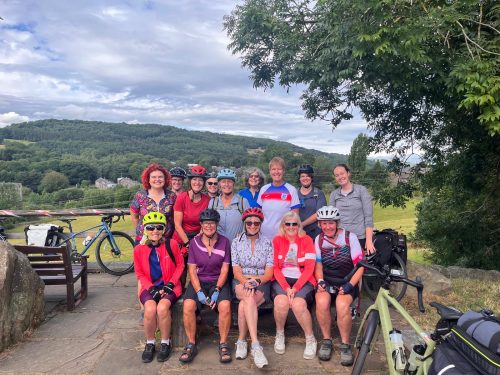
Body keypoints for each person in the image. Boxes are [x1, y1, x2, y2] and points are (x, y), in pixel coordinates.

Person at [179, 209, 233, 364]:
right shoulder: (194, 243)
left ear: (217, 224)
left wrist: (217, 289)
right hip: (199, 281)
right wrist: (199, 292)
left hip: (218, 281)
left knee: (225, 306)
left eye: (212, 223)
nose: (209, 226)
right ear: (201, 225)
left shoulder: (225, 242)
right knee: (188, 305)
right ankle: (191, 343)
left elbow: (225, 269)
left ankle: (223, 343)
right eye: (206, 223)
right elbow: (192, 270)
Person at [314, 206, 364, 365]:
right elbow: (318, 265)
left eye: (331, 223)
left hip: (348, 280)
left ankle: (345, 344)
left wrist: (350, 285)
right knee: (321, 302)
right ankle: (326, 340)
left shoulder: (350, 238)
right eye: (324, 224)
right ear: (320, 225)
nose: (327, 227)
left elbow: (361, 266)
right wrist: (320, 280)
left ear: (337, 223)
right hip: (328, 280)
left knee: (342, 305)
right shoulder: (319, 239)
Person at [133, 212, 185, 363]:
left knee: (162, 308)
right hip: (149, 287)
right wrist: (151, 288)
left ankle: (164, 343)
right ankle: (150, 343)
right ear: (145, 229)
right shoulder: (139, 249)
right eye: (150, 228)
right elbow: (139, 273)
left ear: (164, 229)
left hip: (170, 286)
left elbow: (181, 265)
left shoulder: (172, 244)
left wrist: (170, 284)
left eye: (158, 227)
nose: (155, 231)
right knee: (149, 309)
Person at [231, 207, 273, 368]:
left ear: (261, 224)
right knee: (248, 297)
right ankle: (256, 344)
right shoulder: (236, 242)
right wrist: (245, 281)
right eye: (249, 223)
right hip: (241, 280)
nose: (253, 225)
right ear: (244, 224)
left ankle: (242, 341)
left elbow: (269, 272)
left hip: (261, 281)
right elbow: (235, 270)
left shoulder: (268, 242)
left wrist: (257, 281)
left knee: (244, 304)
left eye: (256, 223)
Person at [272, 211, 317, 359]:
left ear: (299, 225)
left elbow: (310, 268)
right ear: (283, 226)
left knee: (298, 304)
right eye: (288, 224)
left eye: (294, 224)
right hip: (283, 279)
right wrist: (286, 288)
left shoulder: (307, 240)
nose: (291, 227)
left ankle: (310, 339)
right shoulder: (277, 240)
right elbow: (275, 268)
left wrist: (296, 288)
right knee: (281, 301)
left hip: (303, 279)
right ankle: (280, 334)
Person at [173, 165, 210, 287]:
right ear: (190, 181)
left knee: (199, 266)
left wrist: (195, 241)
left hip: (199, 236)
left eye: (200, 180)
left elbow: (205, 223)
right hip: (181, 235)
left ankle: (196, 289)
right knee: (181, 266)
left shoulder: (207, 200)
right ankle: (180, 290)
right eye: (194, 179)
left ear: (204, 183)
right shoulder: (182, 197)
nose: (197, 182)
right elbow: (177, 224)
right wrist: (187, 243)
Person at [329, 164, 375, 254]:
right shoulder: (334, 194)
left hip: (360, 238)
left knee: (360, 266)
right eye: (337, 175)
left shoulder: (361, 190)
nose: (340, 177)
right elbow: (332, 219)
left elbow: (368, 217)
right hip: (341, 239)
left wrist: (369, 240)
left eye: (342, 173)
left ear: (348, 173)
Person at [130, 163, 176, 244]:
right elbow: (134, 216)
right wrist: (141, 231)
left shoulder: (172, 196)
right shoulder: (140, 196)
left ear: (165, 179)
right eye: (154, 177)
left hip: (166, 240)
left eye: (160, 177)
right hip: (144, 240)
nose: (157, 179)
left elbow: (175, 218)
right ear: (148, 179)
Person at [257, 157, 301, 239]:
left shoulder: (291, 190)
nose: (276, 172)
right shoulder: (264, 189)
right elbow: (258, 213)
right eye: (273, 169)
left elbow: (295, 216)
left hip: (283, 236)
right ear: (270, 171)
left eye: (279, 169)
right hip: (264, 235)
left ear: (283, 171)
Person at [209, 168, 250, 242]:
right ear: (219, 184)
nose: (226, 184)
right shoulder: (213, 202)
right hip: (217, 247)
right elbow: (208, 223)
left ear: (234, 184)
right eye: (223, 182)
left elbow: (249, 223)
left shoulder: (243, 202)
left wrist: (244, 235)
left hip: (237, 247)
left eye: (229, 182)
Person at [297, 164, 327, 240]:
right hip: (297, 232)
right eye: (302, 176)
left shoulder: (319, 193)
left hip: (315, 233)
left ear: (311, 178)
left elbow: (319, 213)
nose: (305, 178)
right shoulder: (294, 193)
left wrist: (302, 224)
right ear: (299, 178)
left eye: (307, 176)